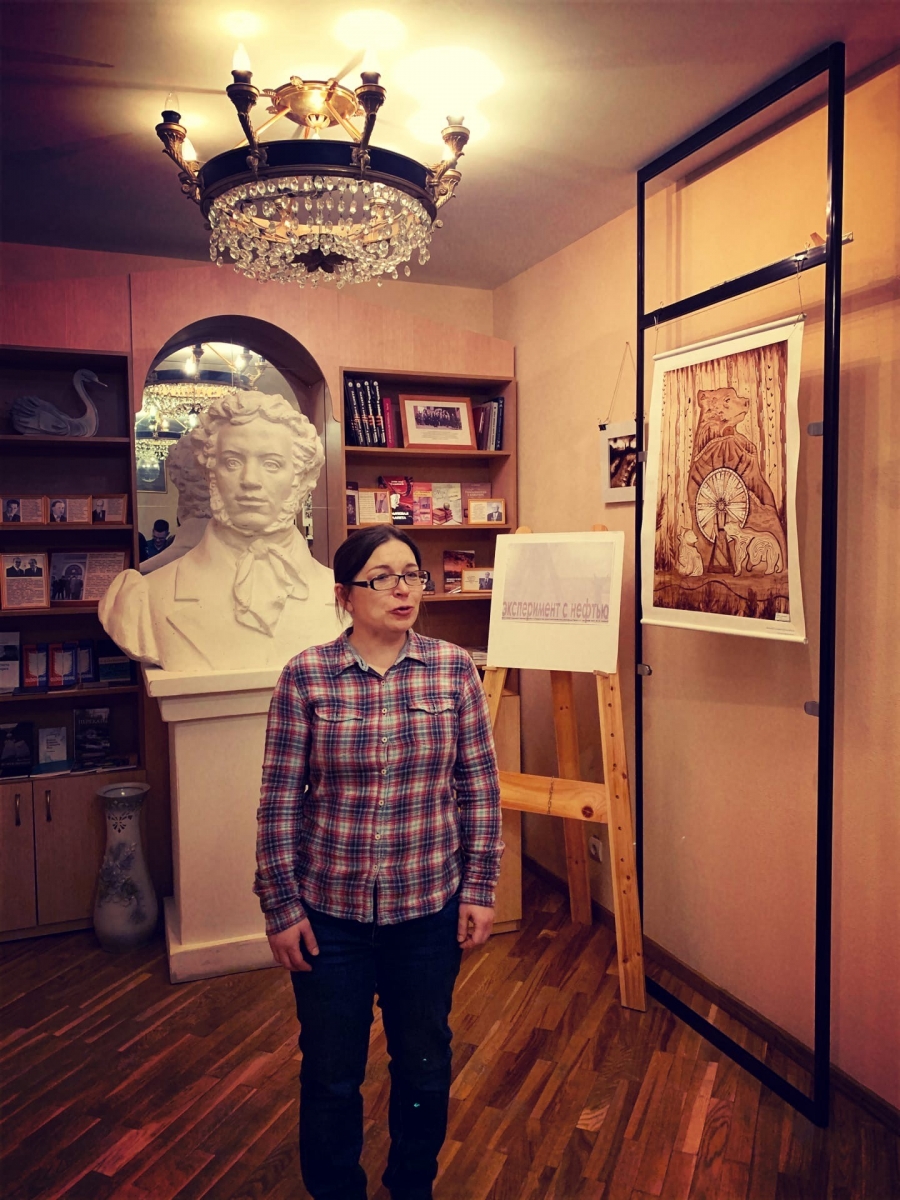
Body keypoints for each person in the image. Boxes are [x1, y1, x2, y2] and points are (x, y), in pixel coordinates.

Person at [255, 525, 504, 1200]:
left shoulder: (453, 669)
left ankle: (411, 1186)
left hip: (426, 911)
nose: (403, 590)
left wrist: (480, 888)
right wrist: (281, 907)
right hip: (329, 917)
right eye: (383, 577)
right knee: (331, 1072)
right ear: (345, 595)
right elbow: (279, 799)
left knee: (423, 1064)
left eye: (412, 575)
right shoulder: (306, 676)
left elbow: (479, 788)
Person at [99, 391, 342, 672]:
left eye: (271, 464)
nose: (250, 480)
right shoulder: (142, 599)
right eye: (232, 462)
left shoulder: (346, 597)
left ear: (301, 478)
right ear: (210, 473)